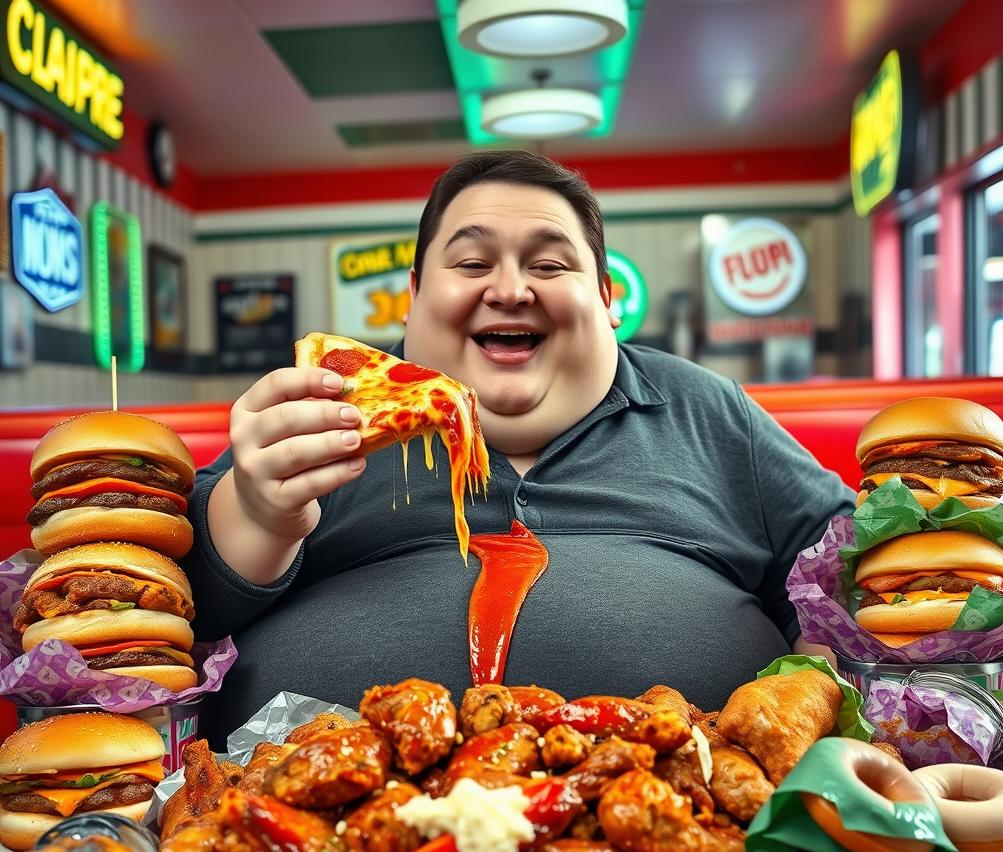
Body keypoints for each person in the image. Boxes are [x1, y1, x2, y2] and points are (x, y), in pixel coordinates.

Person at [183, 150, 854, 747]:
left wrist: (819, 686)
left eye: (550, 264)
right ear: (413, 297)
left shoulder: (707, 409)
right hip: (298, 835)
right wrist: (260, 514)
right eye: (472, 263)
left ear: (606, 298)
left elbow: (856, 580)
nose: (508, 289)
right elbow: (177, 612)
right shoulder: (326, 408)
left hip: (701, 836)